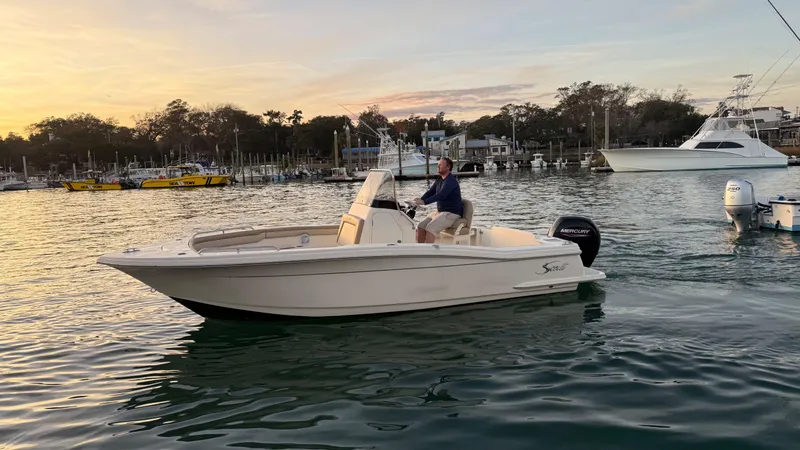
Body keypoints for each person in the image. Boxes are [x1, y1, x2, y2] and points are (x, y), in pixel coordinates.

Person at [414, 157, 463, 243]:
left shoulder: (451, 181)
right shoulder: (440, 179)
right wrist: (420, 199)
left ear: (448, 167)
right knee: (421, 226)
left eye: (440, 165)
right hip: (441, 212)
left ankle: (429, 254)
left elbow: (441, 195)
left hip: (451, 213)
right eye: (438, 165)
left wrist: (424, 202)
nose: (438, 167)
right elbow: (431, 192)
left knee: (430, 228)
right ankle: (420, 251)